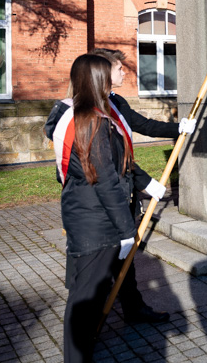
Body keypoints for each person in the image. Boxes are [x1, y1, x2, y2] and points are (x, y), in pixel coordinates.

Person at [44, 54, 158, 362]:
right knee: (85, 298)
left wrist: (144, 183)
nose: (121, 74)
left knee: (89, 295)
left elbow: (116, 167)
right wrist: (126, 231)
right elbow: (106, 180)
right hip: (95, 221)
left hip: (92, 216)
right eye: (115, 71)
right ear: (98, 78)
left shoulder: (92, 115)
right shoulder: (91, 121)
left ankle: (82, 349)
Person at [86, 48, 196, 324]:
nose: (124, 72)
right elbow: (109, 159)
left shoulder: (117, 101)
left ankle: (133, 309)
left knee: (125, 260)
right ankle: (88, 318)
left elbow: (143, 125)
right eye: (119, 68)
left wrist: (178, 128)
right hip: (105, 199)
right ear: (103, 71)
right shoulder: (93, 110)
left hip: (125, 194)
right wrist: (146, 181)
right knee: (103, 262)